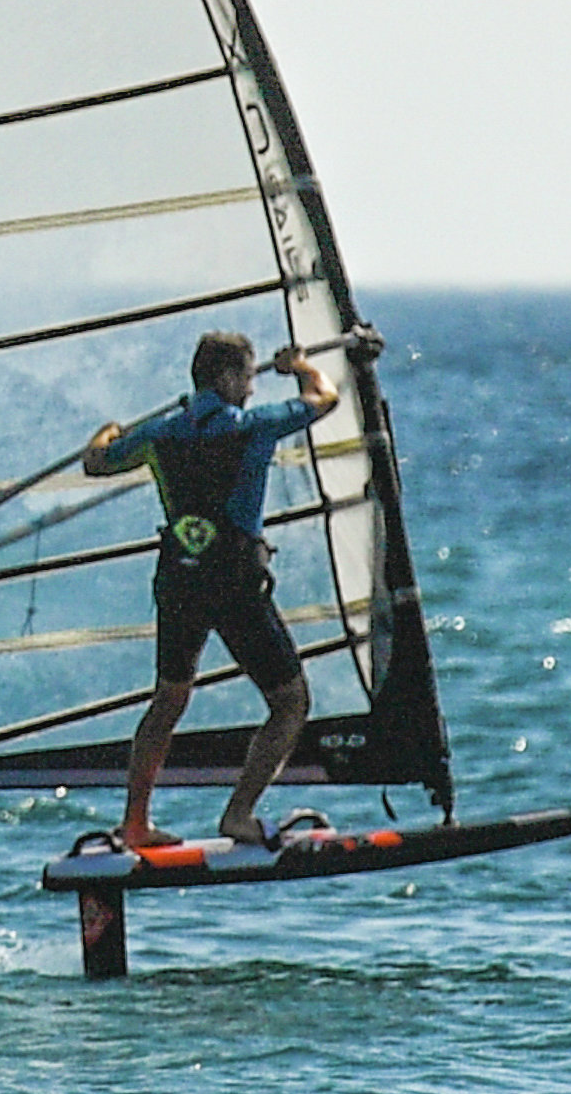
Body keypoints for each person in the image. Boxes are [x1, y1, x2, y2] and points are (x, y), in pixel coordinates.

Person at [82, 322, 377, 850]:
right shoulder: (253, 426)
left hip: (178, 581)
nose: (254, 385)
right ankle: (238, 815)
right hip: (233, 583)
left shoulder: (160, 435)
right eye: (248, 375)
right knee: (290, 703)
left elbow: (96, 461)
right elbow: (324, 398)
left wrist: (109, 429)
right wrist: (299, 366)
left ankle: (134, 822)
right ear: (225, 377)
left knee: (169, 698)